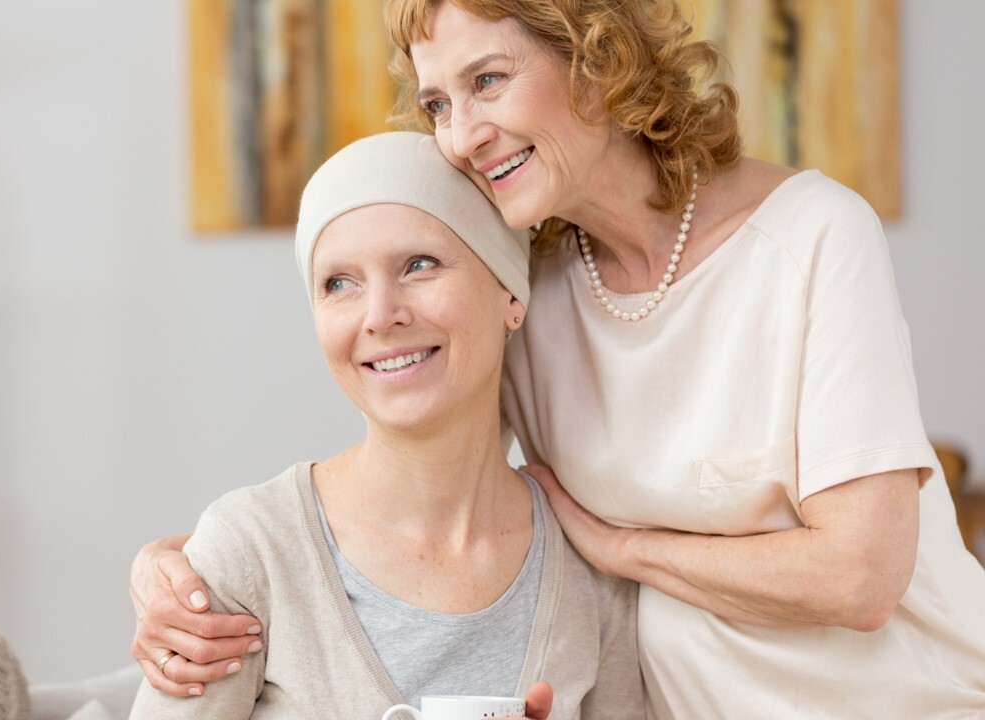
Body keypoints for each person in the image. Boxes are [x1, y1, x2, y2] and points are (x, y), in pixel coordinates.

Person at [131, 1, 985, 717]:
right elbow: (406, 485)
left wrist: (625, 551)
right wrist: (183, 569)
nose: (461, 135)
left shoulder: (811, 237)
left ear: (597, 58)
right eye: (436, 104)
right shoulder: (530, 287)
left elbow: (863, 576)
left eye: (487, 81)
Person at [128, 131, 645, 720]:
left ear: (510, 294)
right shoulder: (250, 552)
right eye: (338, 284)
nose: (379, 316)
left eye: (419, 265)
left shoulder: (590, 565)